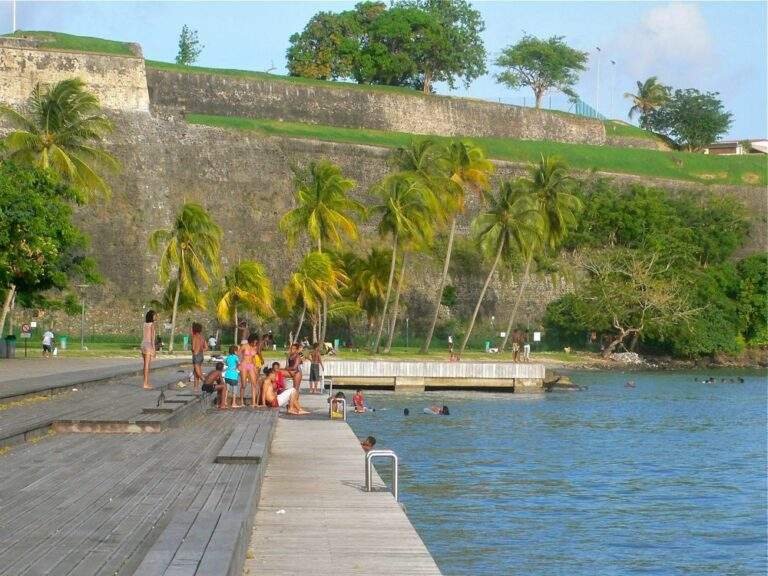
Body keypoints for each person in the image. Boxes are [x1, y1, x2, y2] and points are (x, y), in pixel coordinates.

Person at [240, 334, 261, 408]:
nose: (255, 344)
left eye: (256, 342)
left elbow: (253, 359)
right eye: (254, 342)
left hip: (251, 365)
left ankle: (254, 402)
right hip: (244, 364)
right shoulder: (244, 346)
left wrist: (256, 369)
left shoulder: (255, 347)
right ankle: (241, 401)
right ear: (251, 340)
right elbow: (239, 355)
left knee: (254, 383)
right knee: (243, 384)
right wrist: (238, 365)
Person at [141, 310, 157, 389]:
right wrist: (154, 349)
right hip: (148, 345)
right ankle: (145, 383)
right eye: (154, 315)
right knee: (147, 365)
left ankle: (145, 382)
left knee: (145, 365)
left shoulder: (144, 324)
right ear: (151, 316)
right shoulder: (152, 325)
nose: (155, 317)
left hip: (143, 344)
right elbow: (152, 338)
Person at [191, 322, 207, 392]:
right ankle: (195, 388)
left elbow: (193, 348)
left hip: (196, 356)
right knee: (195, 372)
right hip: (201, 356)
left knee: (198, 373)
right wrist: (201, 349)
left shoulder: (194, 337)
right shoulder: (202, 337)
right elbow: (206, 347)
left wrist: (194, 350)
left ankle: (207, 383)